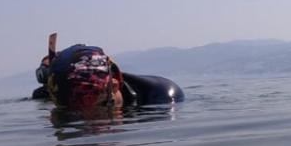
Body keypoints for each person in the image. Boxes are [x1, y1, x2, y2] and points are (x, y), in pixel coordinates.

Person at [32, 36, 184, 110]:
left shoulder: (162, 97)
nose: (95, 123)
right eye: (75, 114)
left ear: (115, 84)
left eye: (105, 105)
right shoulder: (61, 95)